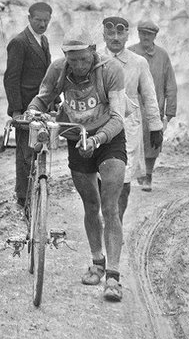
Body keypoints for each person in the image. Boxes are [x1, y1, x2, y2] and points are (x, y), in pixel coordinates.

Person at [27, 39, 129, 302]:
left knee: (110, 206)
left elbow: (118, 116)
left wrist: (97, 140)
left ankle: (114, 277)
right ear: (65, 57)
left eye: (84, 59)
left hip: (108, 138)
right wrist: (32, 112)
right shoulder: (58, 70)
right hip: (76, 136)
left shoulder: (111, 70)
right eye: (73, 60)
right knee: (90, 204)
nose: (80, 65)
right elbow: (42, 99)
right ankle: (97, 261)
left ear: (93, 52)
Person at [100, 16, 161, 219]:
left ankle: (116, 223)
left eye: (120, 33)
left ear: (127, 35)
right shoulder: (95, 59)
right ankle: (106, 220)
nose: (115, 38)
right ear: (104, 34)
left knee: (124, 180)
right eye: (110, 33)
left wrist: (155, 126)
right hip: (100, 125)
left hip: (129, 127)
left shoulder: (138, 62)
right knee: (102, 177)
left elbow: (149, 95)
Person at [4, 2, 52, 207]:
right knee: (25, 151)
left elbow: (48, 76)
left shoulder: (44, 41)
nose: (42, 24)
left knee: (39, 148)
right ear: (29, 18)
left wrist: (54, 101)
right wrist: (16, 110)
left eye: (46, 21)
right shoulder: (20, 42)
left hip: (42, 105)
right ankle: (23, 196)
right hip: (25, 107)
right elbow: (11, 78)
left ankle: (36, 190)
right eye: (38, 20)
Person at [129, 20, 178, 191]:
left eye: (149, 34)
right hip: (132, 109)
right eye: (142, 33)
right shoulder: (130, 53)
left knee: (152, 143)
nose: (145, 37)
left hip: (154, 109)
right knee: (131, 142)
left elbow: (170, 84)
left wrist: (169, 112)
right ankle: (133, 174)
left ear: (155, 36)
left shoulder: (162, 56)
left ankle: (148, 174)